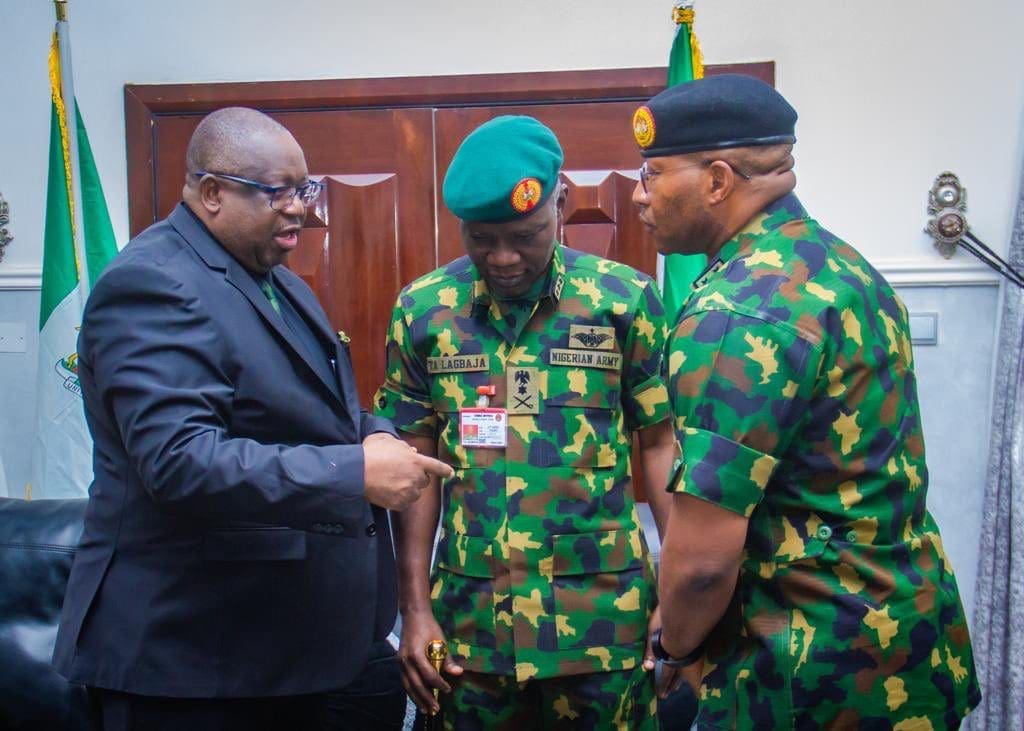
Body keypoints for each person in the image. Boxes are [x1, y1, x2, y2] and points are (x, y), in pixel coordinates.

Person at [52, 107, 452, 730]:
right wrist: (354, 473)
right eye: (280, 193)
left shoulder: (277, 281)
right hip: (196, 664)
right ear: (212, 193)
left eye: (305, 188)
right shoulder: (154, 284)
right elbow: (178, 461)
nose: (301, 208)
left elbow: (319, 414)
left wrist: (374, 433)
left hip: (291, 654)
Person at [632, 74, 981, 728]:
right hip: (907, 638)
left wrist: (672, 647)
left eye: (652, 174)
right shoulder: (845, 268)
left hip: (813, 676)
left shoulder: (734, 313)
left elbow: (704, 562)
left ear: (716, 180)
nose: (637, 193)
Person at [374, 115, 678, 728]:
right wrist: (414, 609)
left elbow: (660, 444)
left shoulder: (625, 301)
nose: (504, 257)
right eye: (482, 238)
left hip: (601, 620)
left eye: (526, 235)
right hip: (469, 624)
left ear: (561, 202)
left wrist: (677, 591)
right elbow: (414, 471)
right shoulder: (423, 310)